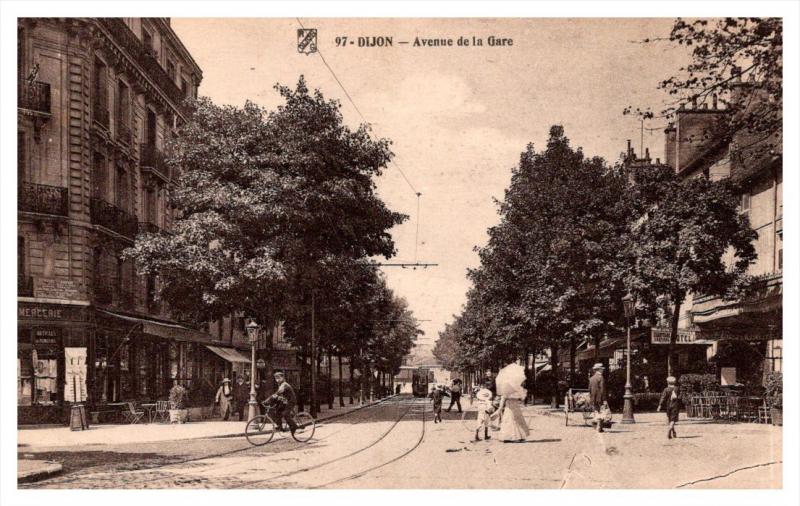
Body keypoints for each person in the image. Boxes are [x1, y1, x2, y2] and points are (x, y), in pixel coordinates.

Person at [589, 363, 607, 433]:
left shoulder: (591, 378)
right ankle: (599, 426)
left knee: (596, 411)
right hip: (600, 398)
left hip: (593, 398)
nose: (602, 370)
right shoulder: (601, 377)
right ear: (599, 369)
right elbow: (602, 389)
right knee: (602, 412)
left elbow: (589, 389)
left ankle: (596, 425)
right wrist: (604, 399)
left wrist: (591, 397)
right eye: (602, 369)